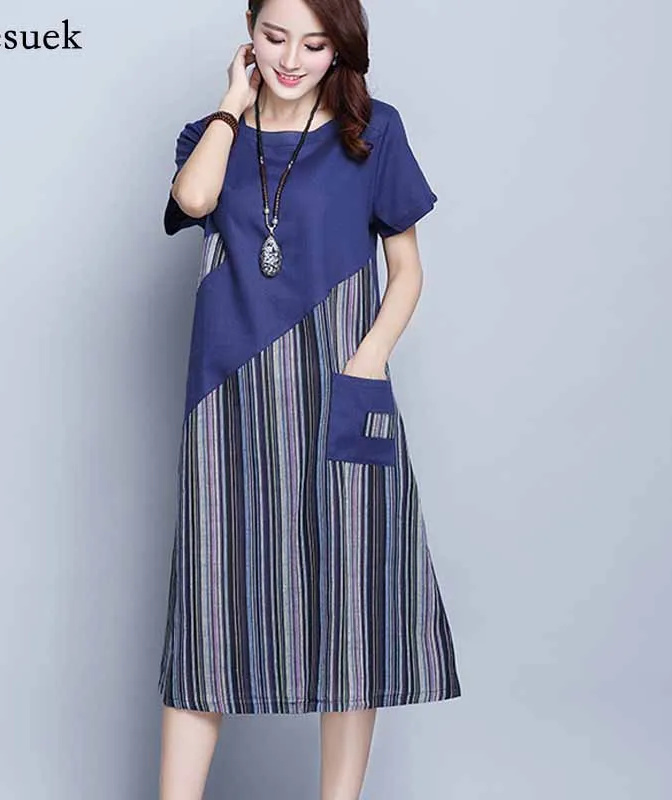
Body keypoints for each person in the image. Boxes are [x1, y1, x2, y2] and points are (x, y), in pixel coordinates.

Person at [157, 0, 462, 797]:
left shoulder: (373, 131)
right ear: (249, 33)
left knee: (353, 605)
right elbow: (195, 201)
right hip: (228, 401)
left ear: (341, 48)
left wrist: (368, 360)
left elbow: (408, 272)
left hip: (341, 386)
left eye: (315, 43)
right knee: (211, 609)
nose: (292, 59)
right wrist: (232, 103)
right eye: (275, 37)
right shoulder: (212, 134)